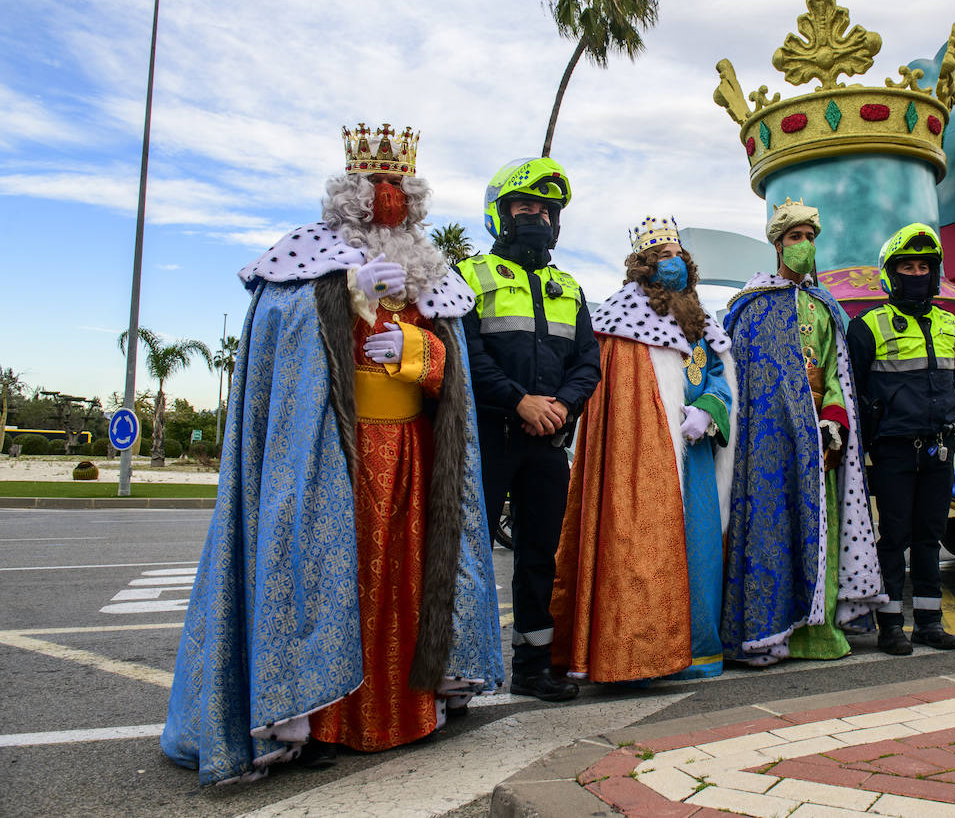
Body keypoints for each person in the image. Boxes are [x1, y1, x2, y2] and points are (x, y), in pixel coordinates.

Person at [162, 123, 502, 785]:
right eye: (378, 185)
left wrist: (418, 354)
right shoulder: (304, 260)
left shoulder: (430, 267)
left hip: (410, 458)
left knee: (405, 585)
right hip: (325, 461)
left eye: (400, 187)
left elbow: (452, 371)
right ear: (349, 191)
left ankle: (409, 709)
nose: (389, 199)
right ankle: (312, 722)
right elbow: (286, 353)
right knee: (322, 581)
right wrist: (344, 296)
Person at [550, 217, 735, 682]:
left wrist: (708, 411)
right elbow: (609, 399)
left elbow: (717, 376)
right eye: (662, 256)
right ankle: (642, 652)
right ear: (644, 266)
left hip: (693, 457)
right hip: (635, 463)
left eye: (677, 254)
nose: (672, 263)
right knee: (639, 550)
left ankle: (697, 652)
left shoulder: (699, 319)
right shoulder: (618, 318)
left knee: (702, 553)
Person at [458, 157, 601, 701]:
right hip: (489, 438)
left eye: (546, 210)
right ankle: (458, 672)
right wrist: (520, 402)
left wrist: (561, 406)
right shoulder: (471, 275)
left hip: (548, 442)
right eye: (525, 207)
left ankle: (534, 666)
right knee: (466, 554)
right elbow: (466, 354)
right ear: (500, 214)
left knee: (541, 555)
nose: (536, 217)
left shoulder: (569, 286)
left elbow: (588, 361)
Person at [720, 198, 885, 666]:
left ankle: (820, 631)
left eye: (811, 238)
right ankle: (767, 633)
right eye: (796, 238)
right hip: (767, 446)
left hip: (819, 445)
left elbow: (837, 375)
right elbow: (739, 379)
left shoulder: (826, 308)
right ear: (777, 245)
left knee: (822, 535)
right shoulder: (747, 309)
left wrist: (834, 420)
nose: (805, 246)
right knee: (770, 535)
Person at [847, 222, 955, 654]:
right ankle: (891, 625)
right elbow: (855, 391)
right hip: (894, 449)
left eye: (923, 266)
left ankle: (930, 624)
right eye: (907, 266)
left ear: (935, 273)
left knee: (930, 536)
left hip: (939, 446)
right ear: (890, 274)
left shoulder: (951, 325)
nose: (916, 273)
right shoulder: (867, 327)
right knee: (894, 538)